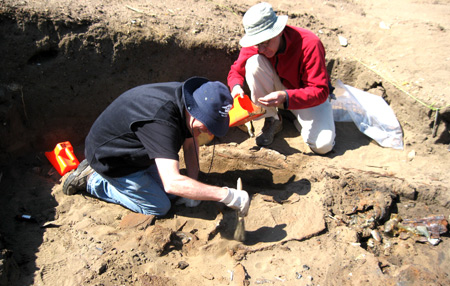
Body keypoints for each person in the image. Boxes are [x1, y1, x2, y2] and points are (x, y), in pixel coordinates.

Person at [62, 77, 250, 217]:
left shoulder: (188, 101)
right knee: (159, 206)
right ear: (194, 111)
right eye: (207, 124)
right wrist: (226, 195)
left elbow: (190, 146)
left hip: (134, 150)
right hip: (111, 160)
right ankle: (93, 181)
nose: (207, 130)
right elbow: (172, 183)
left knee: (180, 192)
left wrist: (194, 183)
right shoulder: (162, 122)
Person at [227, 2, 335, 154]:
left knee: (323, 146)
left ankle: (293, 117)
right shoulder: (257, 44)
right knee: (254, 63)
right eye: (258, 44)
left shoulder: (309, 44)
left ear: (278, 31)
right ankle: (272, 118)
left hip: (307, 99)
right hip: (280, 93)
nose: (262, 49)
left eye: (265, 42)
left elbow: (320, 91)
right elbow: (235, 72)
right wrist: (236, 87)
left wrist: (286, 97)